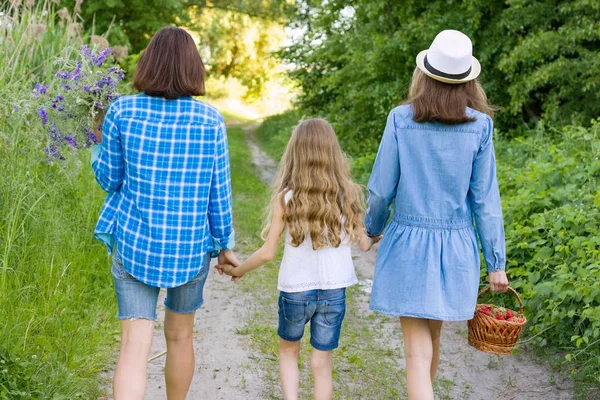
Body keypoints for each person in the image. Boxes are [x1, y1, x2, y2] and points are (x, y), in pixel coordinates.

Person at [91, 26, 239, 400]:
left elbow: (109, 179)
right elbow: (217, 192)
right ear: (194, 68)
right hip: (188, 249)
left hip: (134, 243)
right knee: (180, 336)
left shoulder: (122, 111)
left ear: (149, 63)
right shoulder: (210, 121)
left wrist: (98, 145)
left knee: (133, 349)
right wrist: (225, 244)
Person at [364, 30, 509, 399]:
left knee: (416, 350)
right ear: (468, 81)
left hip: (409, 246)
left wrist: (373, 227)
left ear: (424, 74)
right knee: (432, 339)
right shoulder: (480, 126)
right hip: (456, 250)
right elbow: (485, 201)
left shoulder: (400, 119)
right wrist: (496, 262)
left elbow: (381, 189)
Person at [217, 118, 380, 400]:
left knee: (288, 352)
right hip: (333, 291)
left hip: (295, 290)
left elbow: (267, 252)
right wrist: (375, 234)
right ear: (333, 153)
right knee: (322, 363)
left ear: (296, 153)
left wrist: (239, 269)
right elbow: (364, 245)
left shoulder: (287, 198)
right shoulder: (347, 194)